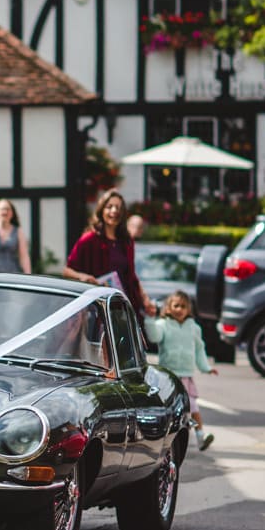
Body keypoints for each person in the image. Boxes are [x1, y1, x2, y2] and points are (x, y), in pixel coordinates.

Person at [63, 189, 152, 315]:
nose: (114, 211)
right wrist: (83, 277)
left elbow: (132, 277)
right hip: (98, 308)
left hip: (124, 307)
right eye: (109, 207)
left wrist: (145, 299)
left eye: (118, 208)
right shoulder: (89, 239)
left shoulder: (127, 241)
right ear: (101, 210)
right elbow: (67, 271)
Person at [150, 290, 217, 450]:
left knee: (193, 407)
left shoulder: (194, 328)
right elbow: (154, 337)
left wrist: (205, 367)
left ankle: (200, 436)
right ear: (168, 307)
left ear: (189, 309)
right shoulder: (162, 324)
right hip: (169, 377)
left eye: (183, 306)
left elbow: (199, 350)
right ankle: (162, 439)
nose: (179, 309)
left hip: (186, 376)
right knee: (169, 409)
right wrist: (149, 319)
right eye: (176, 305)